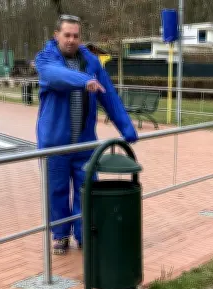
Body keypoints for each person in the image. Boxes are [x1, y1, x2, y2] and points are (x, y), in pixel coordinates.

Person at [35, 14, 138, 255]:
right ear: (56, 35)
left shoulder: (91, 62)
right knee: (57, 190)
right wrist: (84, 81)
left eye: (75, 35)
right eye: (67, 35)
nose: (71, 40)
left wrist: (126, 128)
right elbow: (54, 76)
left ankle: (83, 234)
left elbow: (108, 95)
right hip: (55, 143)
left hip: (84, 143)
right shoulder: (45, 58)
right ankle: (60, 235)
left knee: (87, 189)